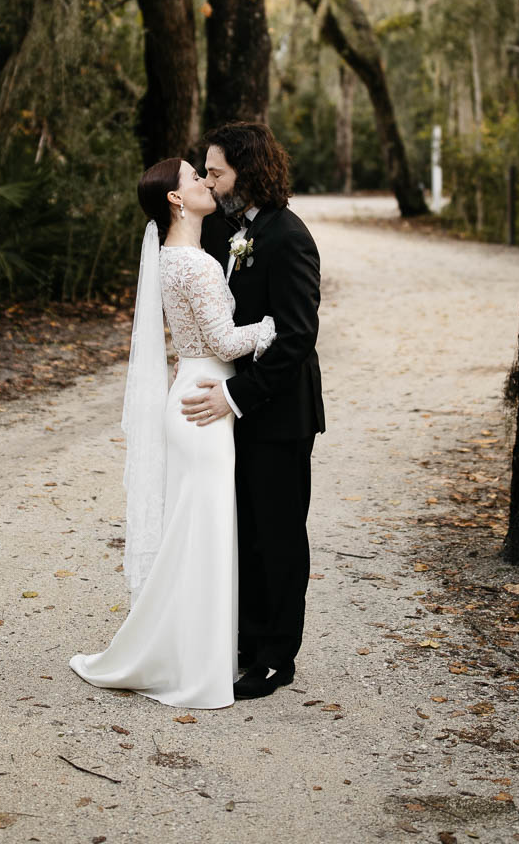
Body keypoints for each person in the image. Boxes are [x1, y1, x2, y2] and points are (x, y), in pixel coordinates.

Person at [69, 157, 274, 709]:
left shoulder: (172, 257)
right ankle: (192, 663)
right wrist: (273, 326)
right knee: (202, 532)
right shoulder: (197, 265)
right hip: (206, 402)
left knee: (196, 532)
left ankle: (184, 651)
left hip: (189, 388)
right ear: (176, 201)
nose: (207, 182)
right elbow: (228, 343)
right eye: (194, 177)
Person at [182, 121, 324, 700]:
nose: (210, 183)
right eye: (207, 173)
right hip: (235, 411)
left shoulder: (290, 238)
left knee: (280, 535)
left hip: (280, 412)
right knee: (244, 531)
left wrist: (235, 397)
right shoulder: (226, 232)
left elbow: (295, 336)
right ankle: (245, 641)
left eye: (216, 171)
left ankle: (276, 657)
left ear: (249, 170)